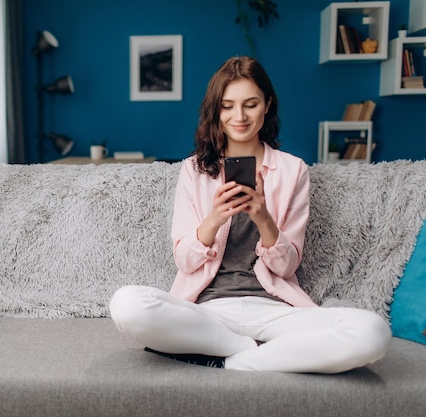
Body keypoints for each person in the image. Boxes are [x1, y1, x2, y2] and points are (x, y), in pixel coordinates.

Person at [109, 56, 391, 373]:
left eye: (250, 104)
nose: (239, 117)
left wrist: (263, 217)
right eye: (227, 106)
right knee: (127, 303)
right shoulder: (194, 170)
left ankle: (235, 362)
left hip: (274, 310)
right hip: (206, 310)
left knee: (372, 332)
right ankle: (253, 351)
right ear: (216, 110)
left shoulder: (292, 170)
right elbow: (186, 262)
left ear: (267, 104)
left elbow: (286, 267)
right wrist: (214, 218)